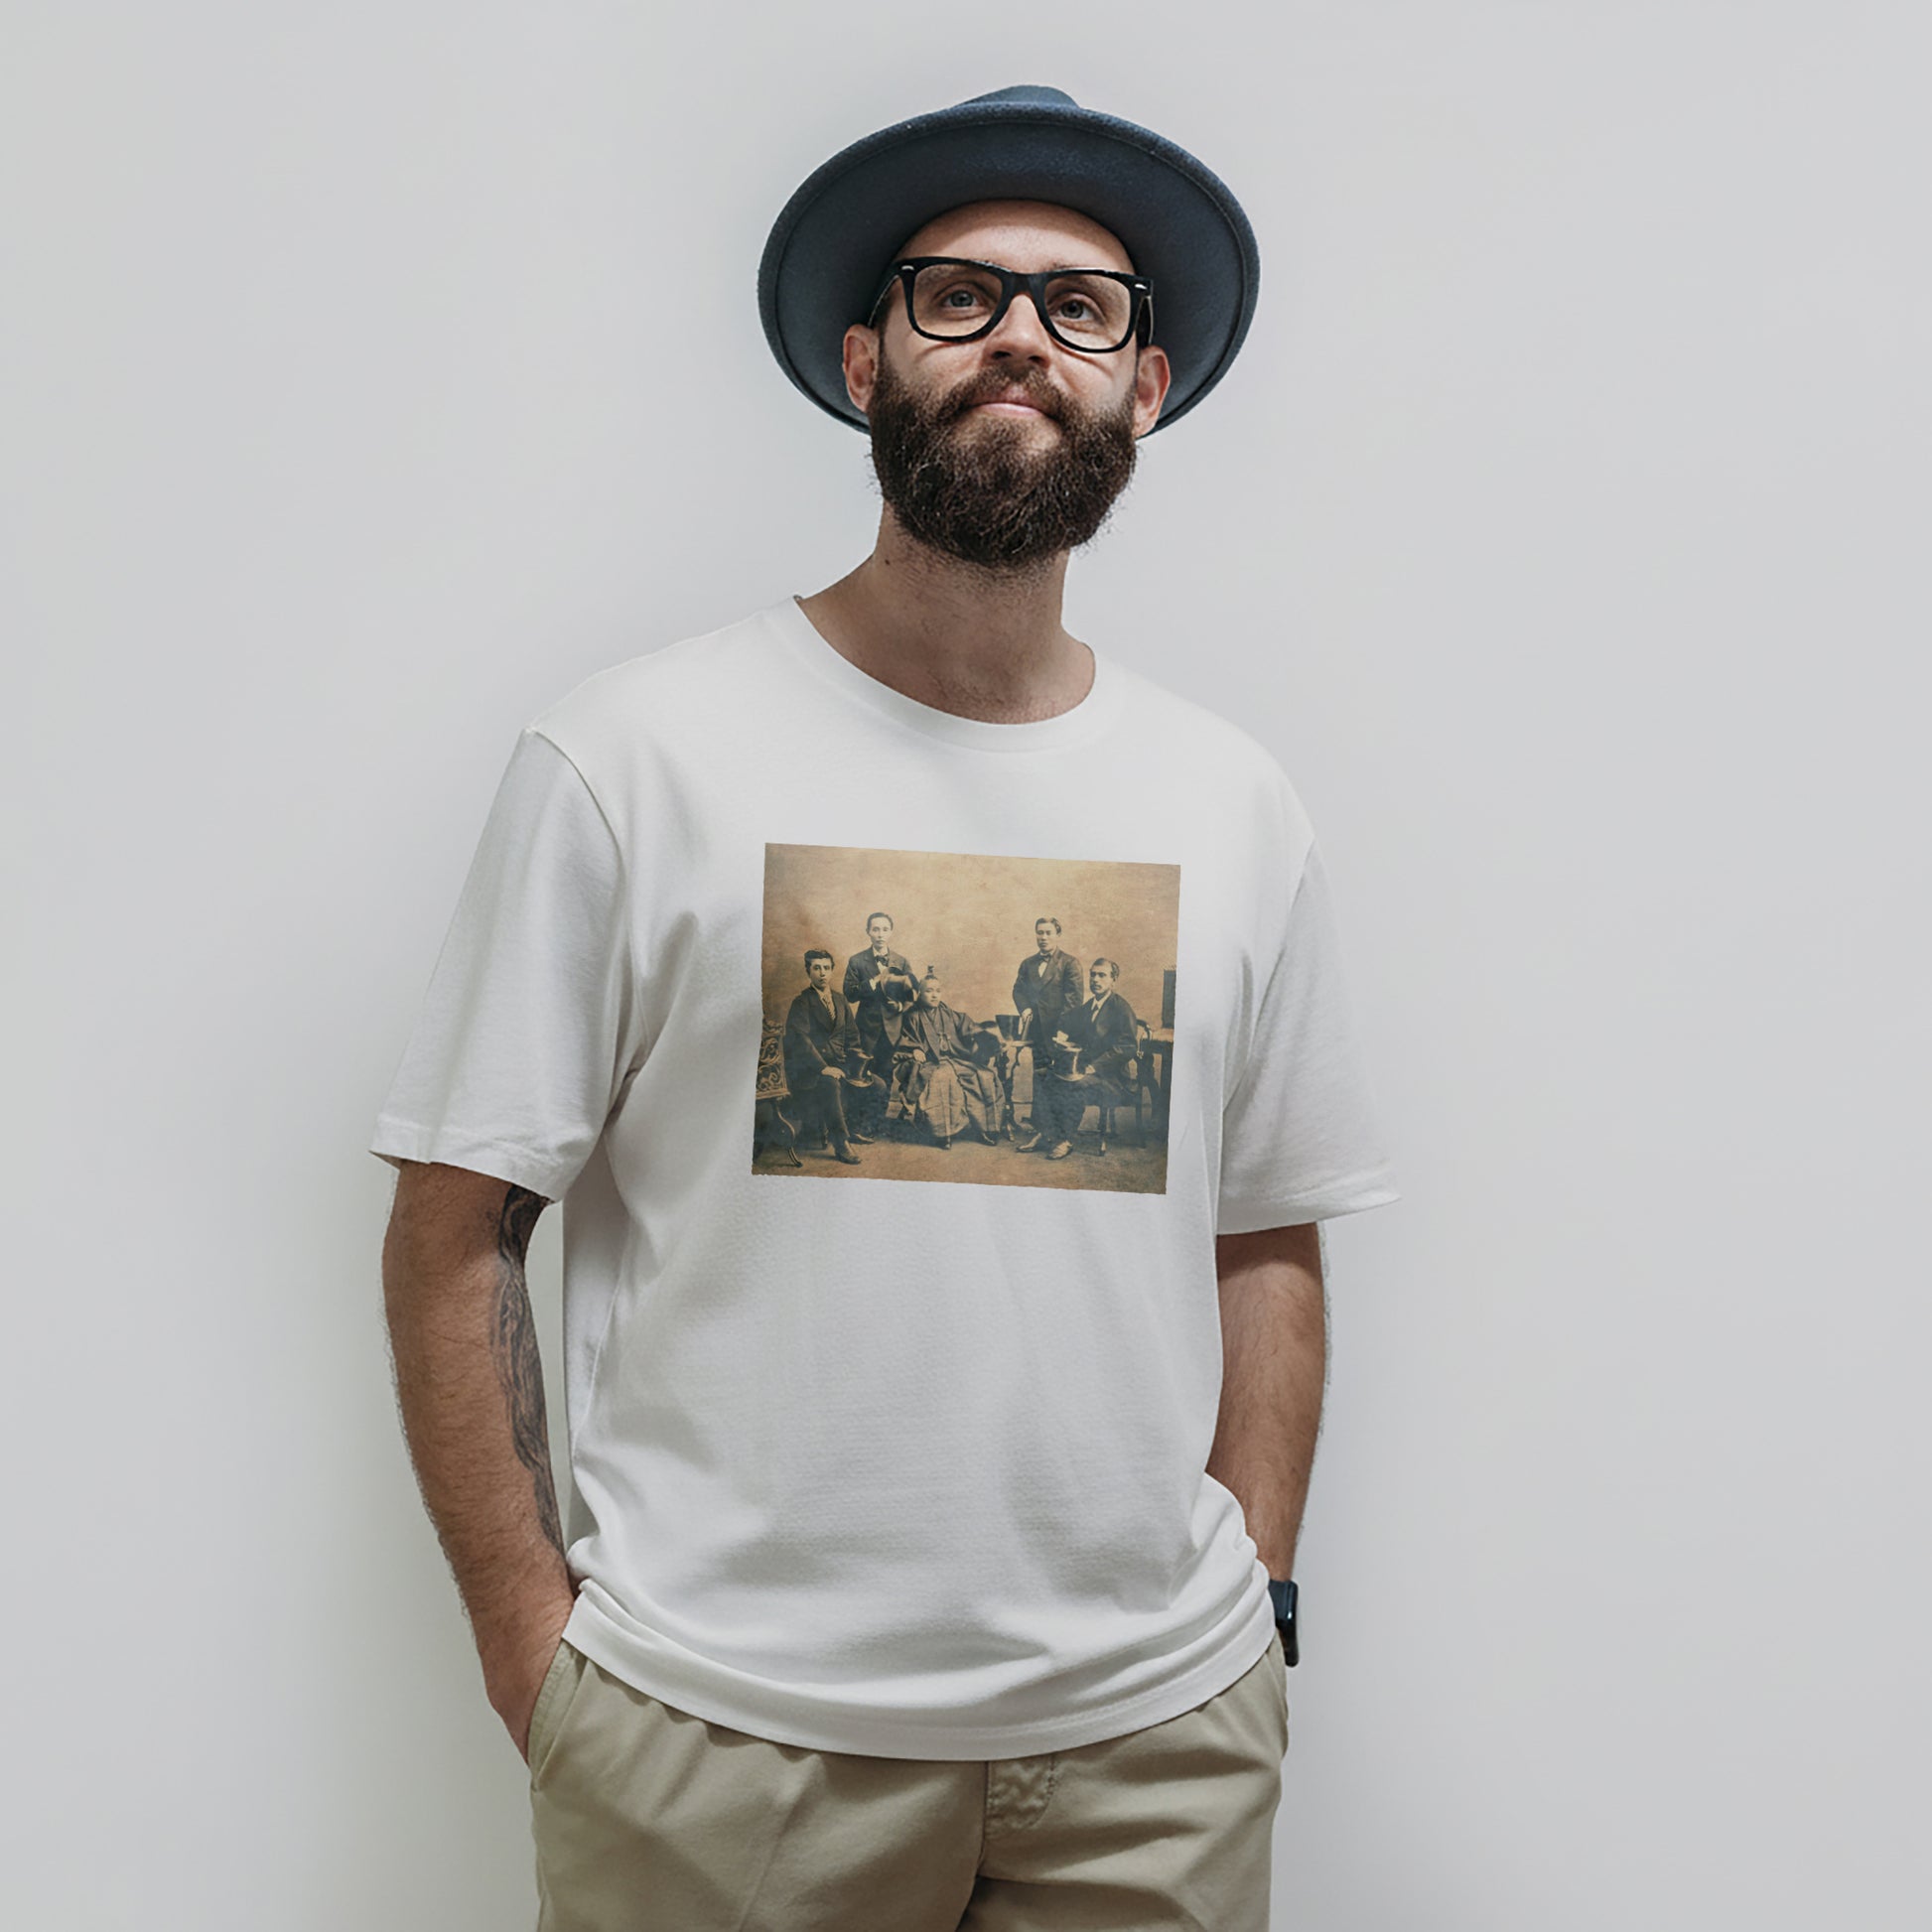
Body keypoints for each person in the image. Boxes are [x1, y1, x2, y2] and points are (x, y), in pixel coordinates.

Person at [371, 82, 1400, 1932]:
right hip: (716, 1743)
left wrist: (1253, 1607)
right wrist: (540, 1654)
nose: (1019, 335)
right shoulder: (630, 755)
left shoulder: (1233, 798)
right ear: (866, 361)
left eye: (1080, 306)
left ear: (1143, 387)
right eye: (956, 294)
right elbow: (456, 1228)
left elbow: (1267, 1232)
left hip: (1154, 1754)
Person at [1022, 956, 1141, 1158]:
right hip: (1086, 1071)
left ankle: (1065, 1139)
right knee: (1044, 1075)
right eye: (1093, 975)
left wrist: (1096, 1066)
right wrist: (1062, 1036)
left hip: (1112, 1079)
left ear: (1113, 980)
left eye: (1102, 975)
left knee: (1075, 1083)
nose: (1095, 980)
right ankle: (1045, 1133)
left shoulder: (1121, 1009)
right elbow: (1071, 1028)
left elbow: (1127, 1047)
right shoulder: (1088, 1007)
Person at [897, 971, 1007, 1147]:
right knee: (943, 1077)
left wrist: (989, 1037)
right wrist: (914, 1050)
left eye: (938, 991)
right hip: (930, 1063)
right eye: (929, 991)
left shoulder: (949, 1014)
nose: (934, 995)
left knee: (983, 1075)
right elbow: (903, 1040)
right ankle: (942, 1133)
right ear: (919, 993)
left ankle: (986, 1128)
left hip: (956, 1060)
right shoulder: (912, 1016)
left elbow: (971, 1030)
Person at [781, 947, 865, 1163]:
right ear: (808, 971)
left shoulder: (840, 1000)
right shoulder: (802, 1002)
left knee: (878, 1084)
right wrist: (823, 1068)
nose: (822, 973)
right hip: (810, 1070)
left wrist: (857, 1063)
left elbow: (852, 1035)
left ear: (832, 970)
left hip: (840, 1063)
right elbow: (800, 1040)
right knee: (830, 1084)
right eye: (817, 968)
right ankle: (841, 1142)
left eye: (827, 968)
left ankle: (856, 1128)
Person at [842, 910, 920, 1138]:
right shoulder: (857, 961)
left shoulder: (901, 962)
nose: (880, 934)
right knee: (863, 1075)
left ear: (891, 932)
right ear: (868, 932)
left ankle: (875, 1125)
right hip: (866, 1031)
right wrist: (873, 982)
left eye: (885, 929)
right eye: (875, 929)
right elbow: (849, 994)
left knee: (885, 1076)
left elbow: (913, 994)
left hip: (892, 1031)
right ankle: (857, 1123)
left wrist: (901, 1006)